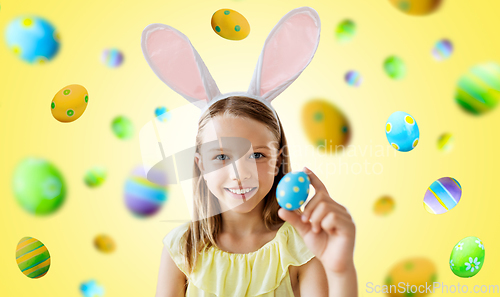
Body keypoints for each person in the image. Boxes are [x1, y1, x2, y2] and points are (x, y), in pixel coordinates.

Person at [141, 7, 357, 297]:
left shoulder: (304, 245)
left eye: (257, 155)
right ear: (200, 164)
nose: (240, 174)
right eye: (220, 157)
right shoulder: (182, 249)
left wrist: (341, 270)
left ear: (278, 159)